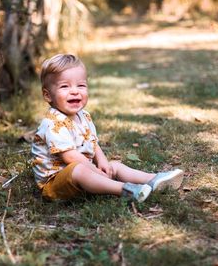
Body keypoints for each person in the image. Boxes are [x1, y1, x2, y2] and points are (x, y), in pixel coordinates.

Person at [31, 54, 184, 202]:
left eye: (81, 85)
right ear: (48, 95)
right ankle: (126, 190)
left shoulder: (83, 115)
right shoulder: (53, 122)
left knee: (114, 166)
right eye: (65, 86)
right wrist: (93, 169)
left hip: (83, 173)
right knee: (79, 170)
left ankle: (153, 180)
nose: (75, 91)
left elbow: (91, 141)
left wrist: (102, 161)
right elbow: (69, 157)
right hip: (55, 184)